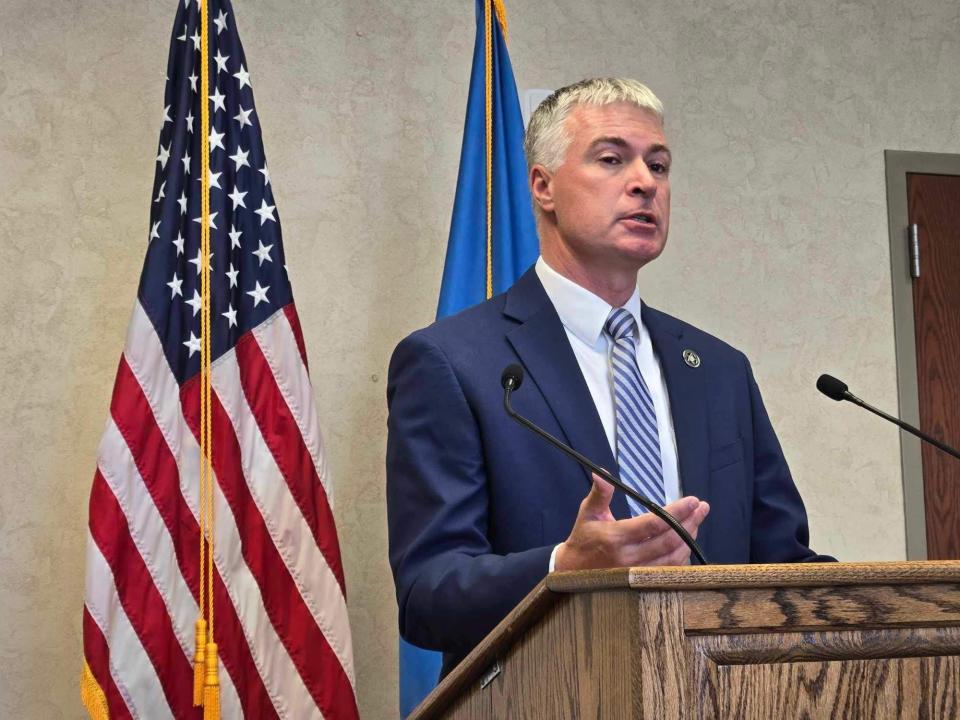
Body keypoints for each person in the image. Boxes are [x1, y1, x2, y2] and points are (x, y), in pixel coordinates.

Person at [386, 78, 831, 677]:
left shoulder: (720, 369)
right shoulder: (452, 361)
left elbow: (783, 563)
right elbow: (427, 596)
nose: (646, 182)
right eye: (612, 159)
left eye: (659, 165)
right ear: (543, 186)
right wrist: (562, 567)